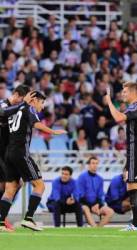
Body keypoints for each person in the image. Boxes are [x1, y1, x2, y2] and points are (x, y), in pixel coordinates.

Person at [0, 91, 67, 232]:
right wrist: (53, 132)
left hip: (8, 154)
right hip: (20, 153)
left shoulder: (15, 110)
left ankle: (1, 223)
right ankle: (29, 218)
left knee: (10, 188)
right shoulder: (28, 108)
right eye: (42, 103)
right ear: (34, 100)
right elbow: (36, 124)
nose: (42, 107)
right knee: (40, 185)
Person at [105, 82, 137, 231]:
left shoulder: (134, 107)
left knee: (132, 187)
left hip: (135, 150)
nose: (123, 94)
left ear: (132, 93)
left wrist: (109, 102)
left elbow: (119, 118)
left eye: (125, 92)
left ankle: (135, 224)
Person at [0, 85, 32, 230]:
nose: (22, 103)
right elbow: (2, 112)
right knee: (8, 186)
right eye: (21, 99)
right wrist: (23, 104)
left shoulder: (16, 110)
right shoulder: (3, 104)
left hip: (6, 153)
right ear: (16, 95)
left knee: (14, 185)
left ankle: (2, 216)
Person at [77, 156, 114, 227]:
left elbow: (100, 195)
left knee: (110, 212)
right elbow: (80, 195)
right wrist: (92, 205)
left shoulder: (100, 179)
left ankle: (98, 228)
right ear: (88, 165)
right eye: (93, 163)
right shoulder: (82, 177)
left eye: (96, 163)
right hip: (84, 203)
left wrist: (97, 204)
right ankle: (94, 226)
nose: (95, 165)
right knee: (86, 208)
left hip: (96, 204)